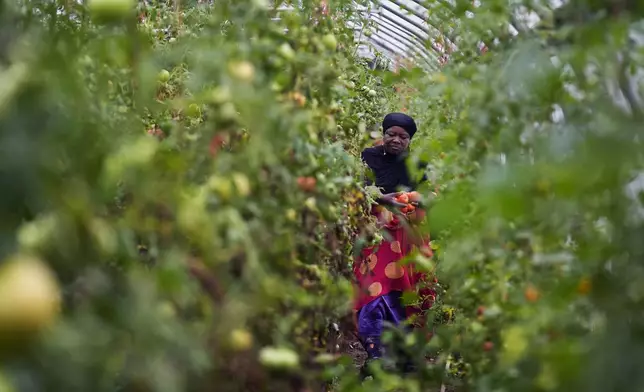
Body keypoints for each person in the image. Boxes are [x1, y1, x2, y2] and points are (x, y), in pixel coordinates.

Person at [353, 112, 435, 376]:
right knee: (373, 292)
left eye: (403, 137)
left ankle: (406, 355)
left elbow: (429, 195)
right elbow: (357, 190)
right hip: (377, 240)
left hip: (408, 239)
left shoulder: (418, 164)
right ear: (383, 134)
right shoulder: (369, 157)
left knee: (407, 292)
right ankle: (375, 354)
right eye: (391, 134)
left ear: (410, 140)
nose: (396, 140)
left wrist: (416, 199)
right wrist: (381, 199)